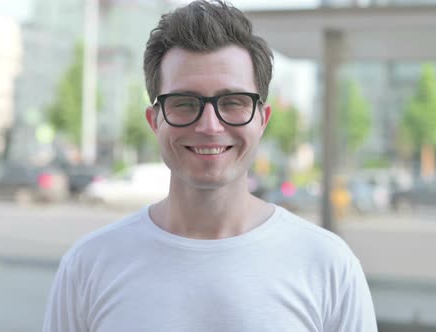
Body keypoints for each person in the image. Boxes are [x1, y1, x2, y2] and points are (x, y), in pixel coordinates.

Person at [43, 1, 377, 331]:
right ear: (154, 120)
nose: (209, 125)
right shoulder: (89, 266)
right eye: (184, 103)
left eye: (232, 102)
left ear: (263, 119)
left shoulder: (328, 265)